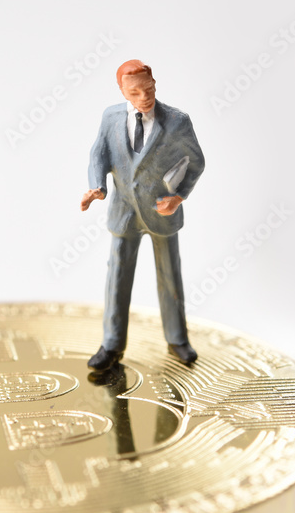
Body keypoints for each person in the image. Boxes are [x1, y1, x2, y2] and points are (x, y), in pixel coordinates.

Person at [80, 59, 205, 370]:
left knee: (170, 275)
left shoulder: (177, 121)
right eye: (134, 92)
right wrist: (97, 187)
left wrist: (178, 196)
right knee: (117, 277)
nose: (144, 97)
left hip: (163, 210)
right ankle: (111, 344)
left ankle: (177, 338)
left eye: (148, 89)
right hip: (124, 212)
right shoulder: (111, 117)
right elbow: (99, 153)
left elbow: (196, 162)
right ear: (122, 91)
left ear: (155, 84)